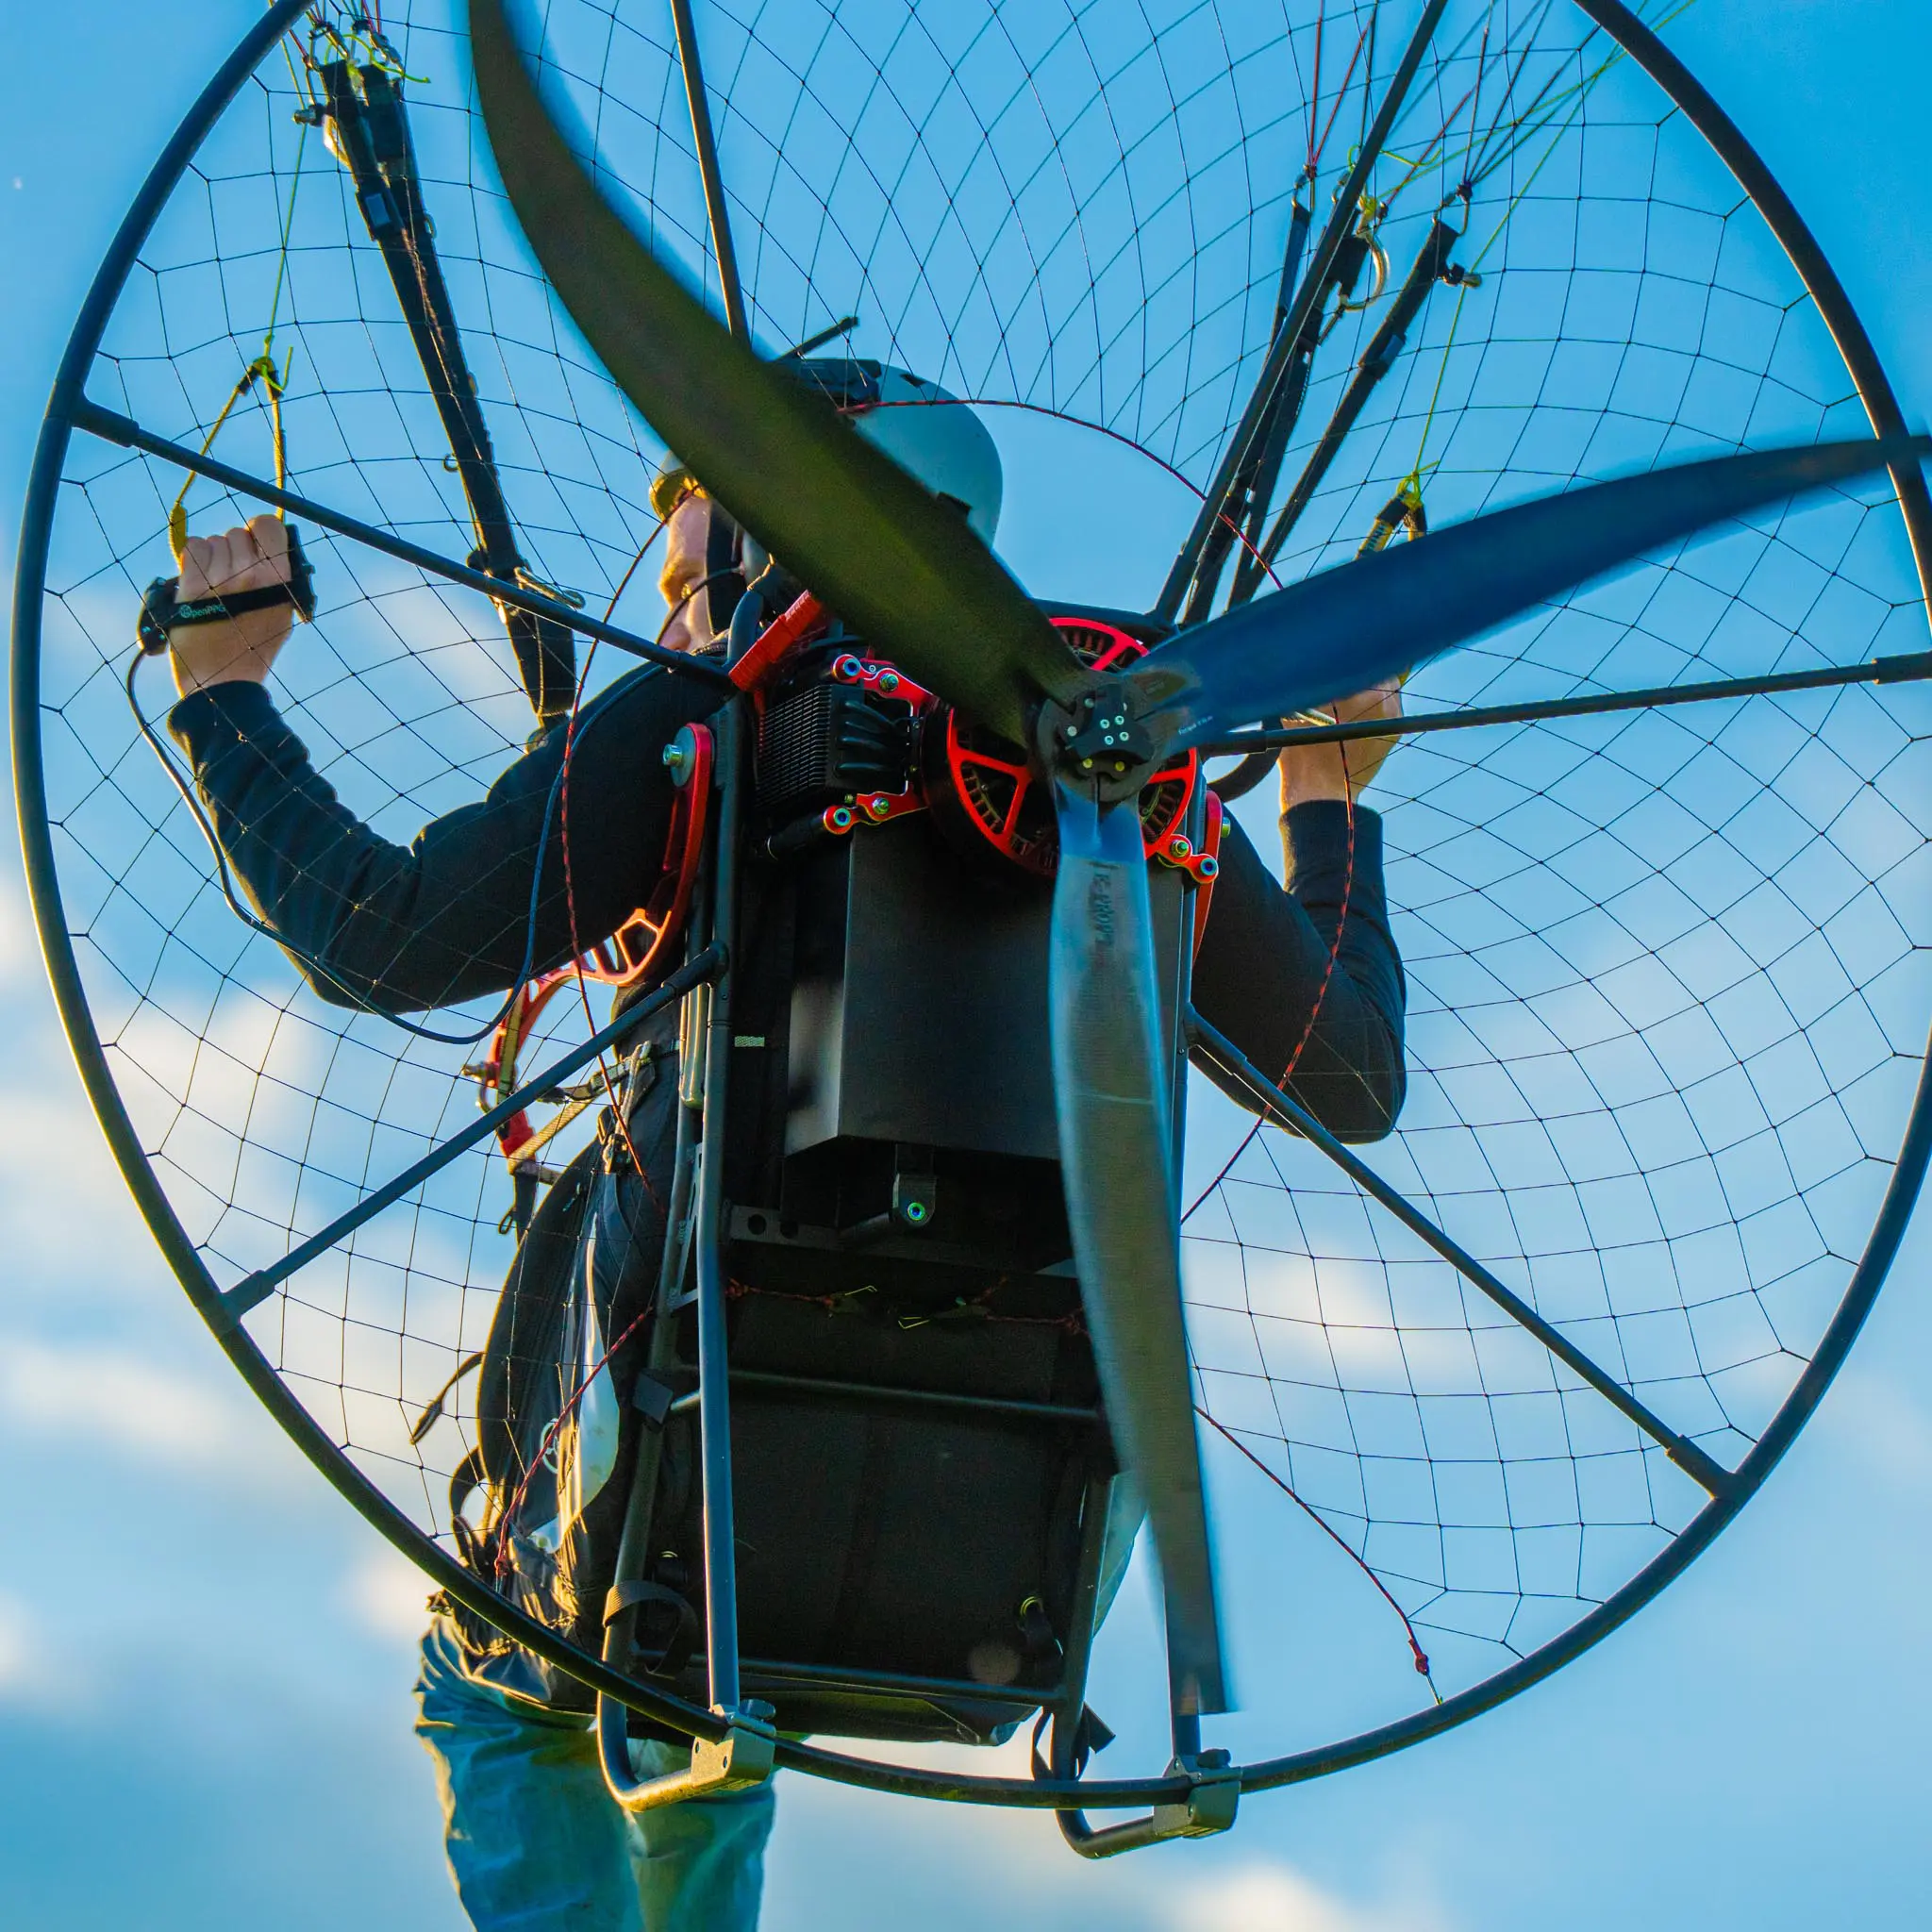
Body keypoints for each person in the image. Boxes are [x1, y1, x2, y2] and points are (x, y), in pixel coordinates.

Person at [158, 389, 1406, 1932]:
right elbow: (1349, 1080)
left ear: (778, 501)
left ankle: (678, 1725)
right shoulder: (1105, 744)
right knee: (699, 1700)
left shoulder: (722, 705)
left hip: (677, 1478)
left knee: (495, 1676)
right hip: (1004, 1535)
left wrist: (221, 691)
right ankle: (696, 1735)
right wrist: (1327, 797)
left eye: (690, 489)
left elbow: (384, 933)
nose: (668, 536)